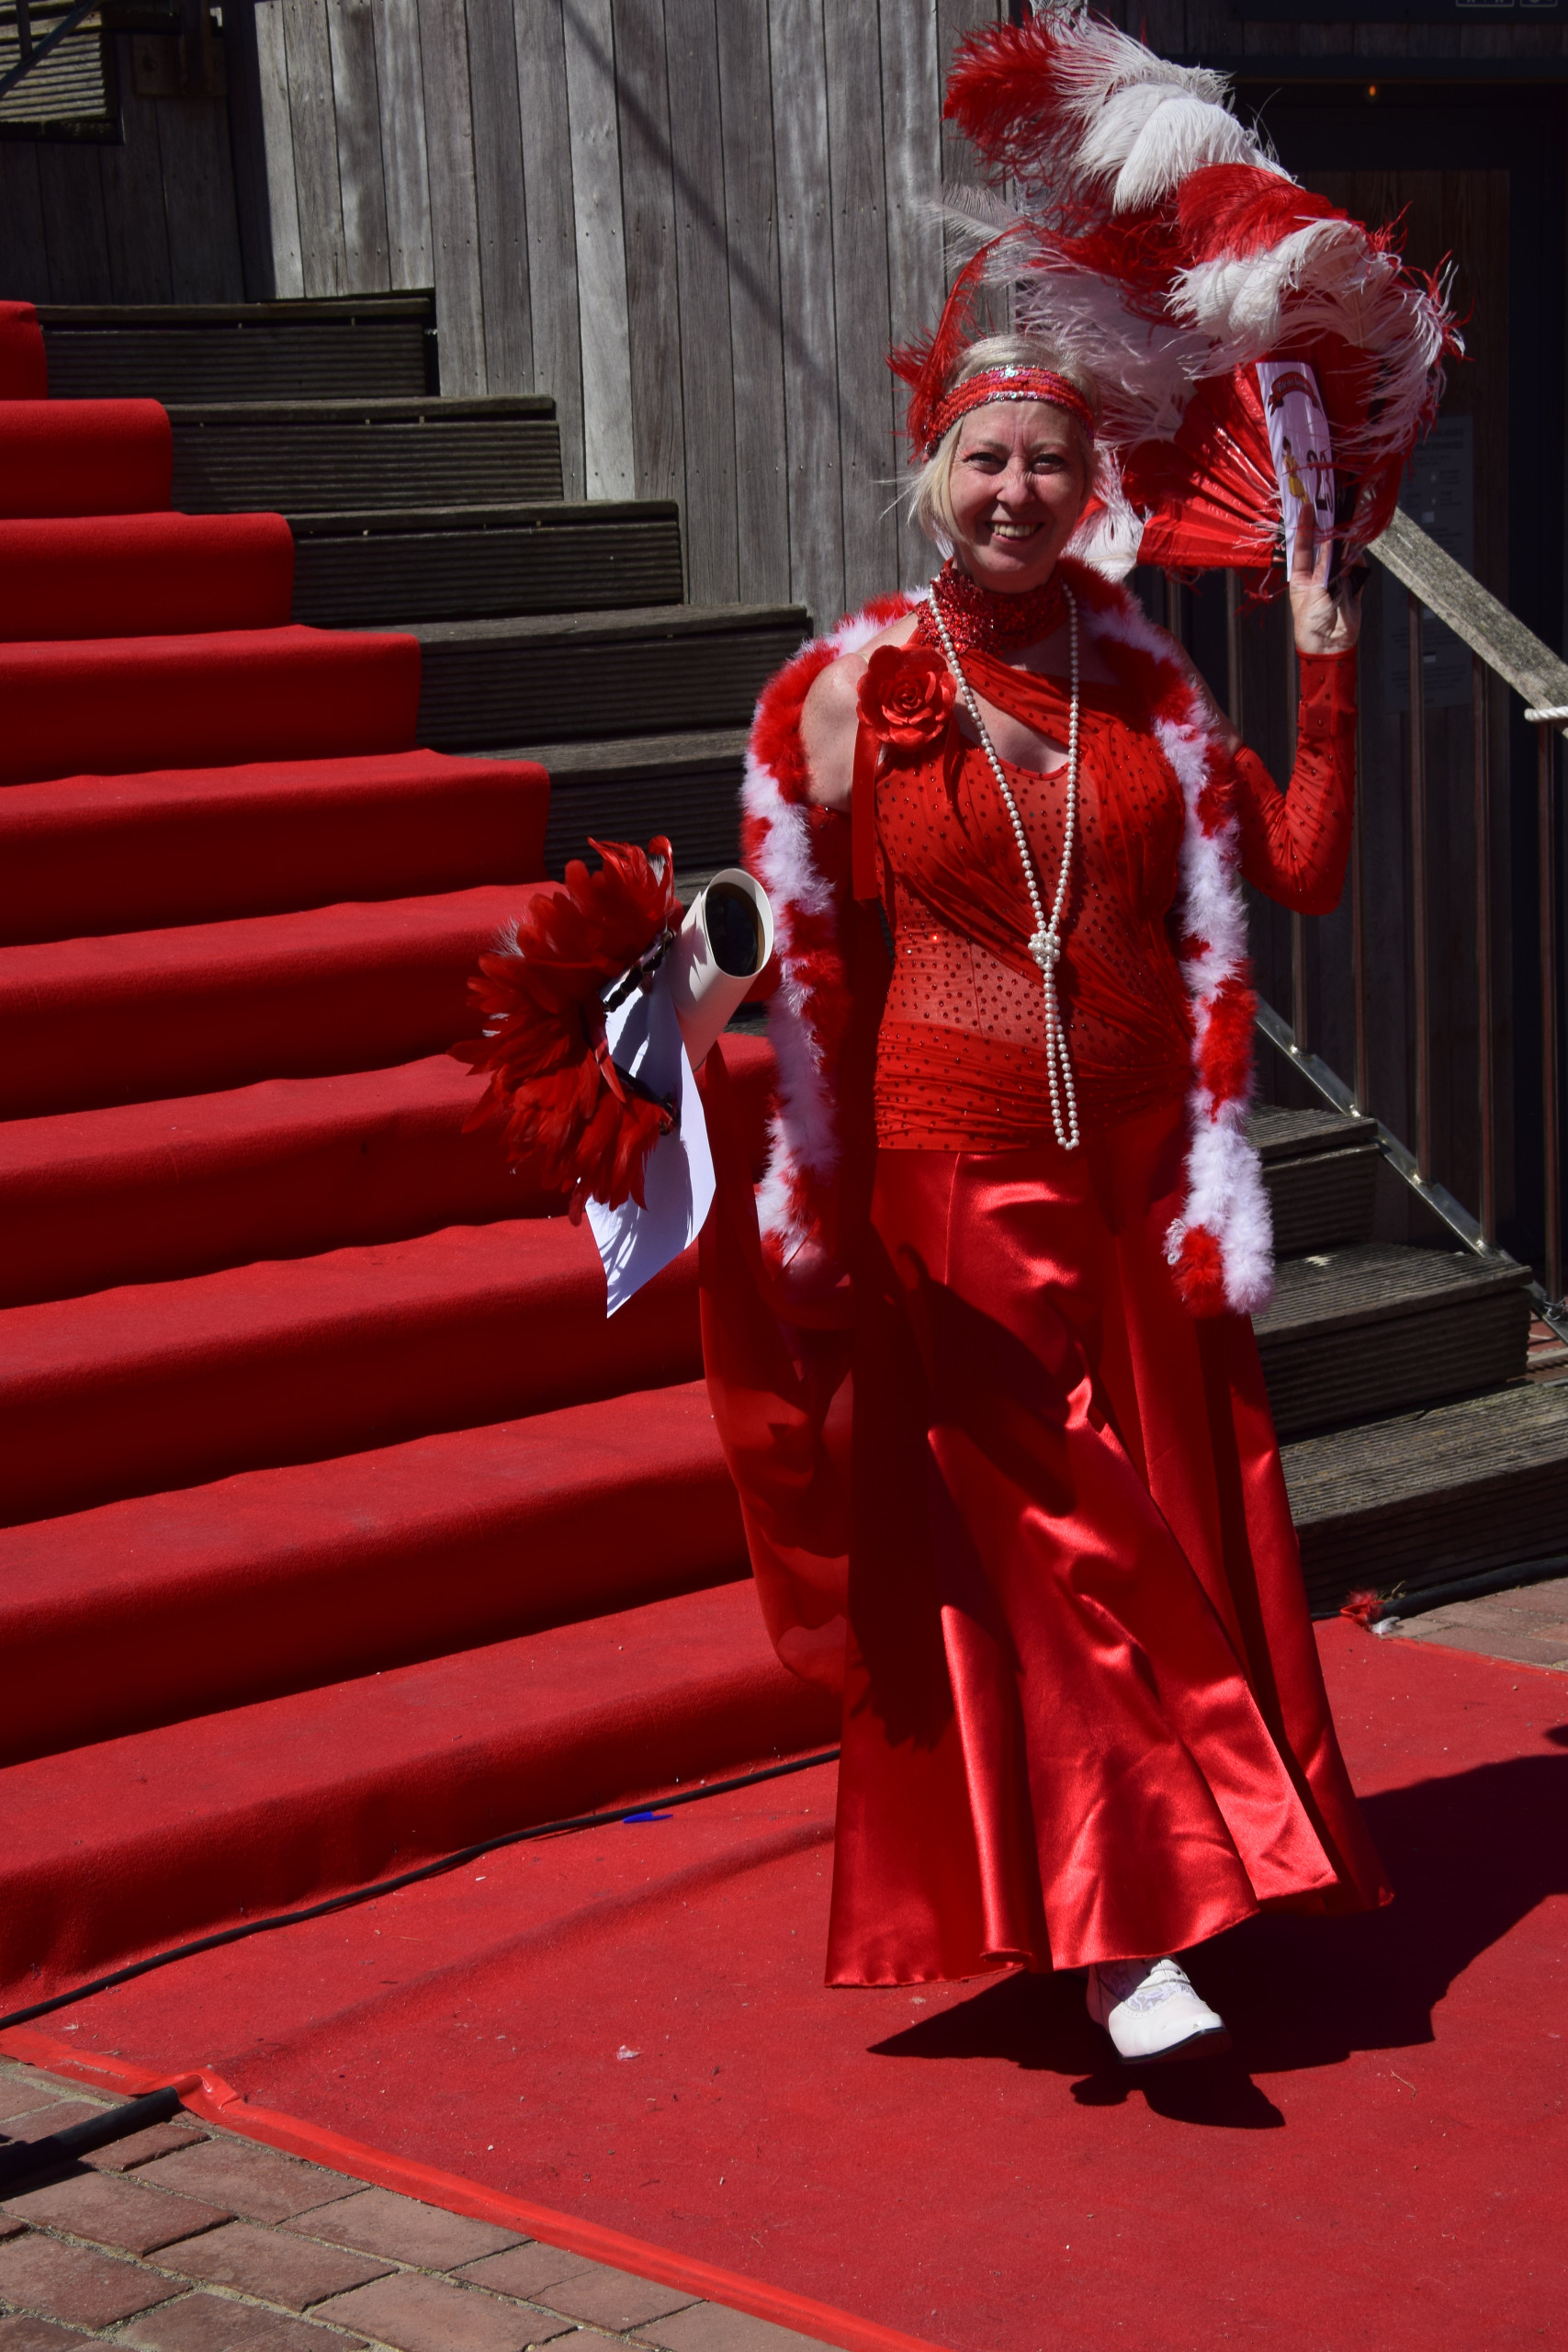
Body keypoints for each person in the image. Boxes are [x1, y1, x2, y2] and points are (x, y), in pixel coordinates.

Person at [697, 333, 1390, 2069]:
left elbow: (1301, 868)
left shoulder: (1149, 686)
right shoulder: (849, 688)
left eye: (1051, 463)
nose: (1018, 491)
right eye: (987, 457)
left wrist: (1324, 656)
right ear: (933, 471)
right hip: (954, 1168)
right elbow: (789, 943)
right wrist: (676, 1024)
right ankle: (1131, 1929)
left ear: (1097, 491)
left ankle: (1190, 1870)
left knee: (1167, 1518)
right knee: (1064, 1543)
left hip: (1147, 1177)